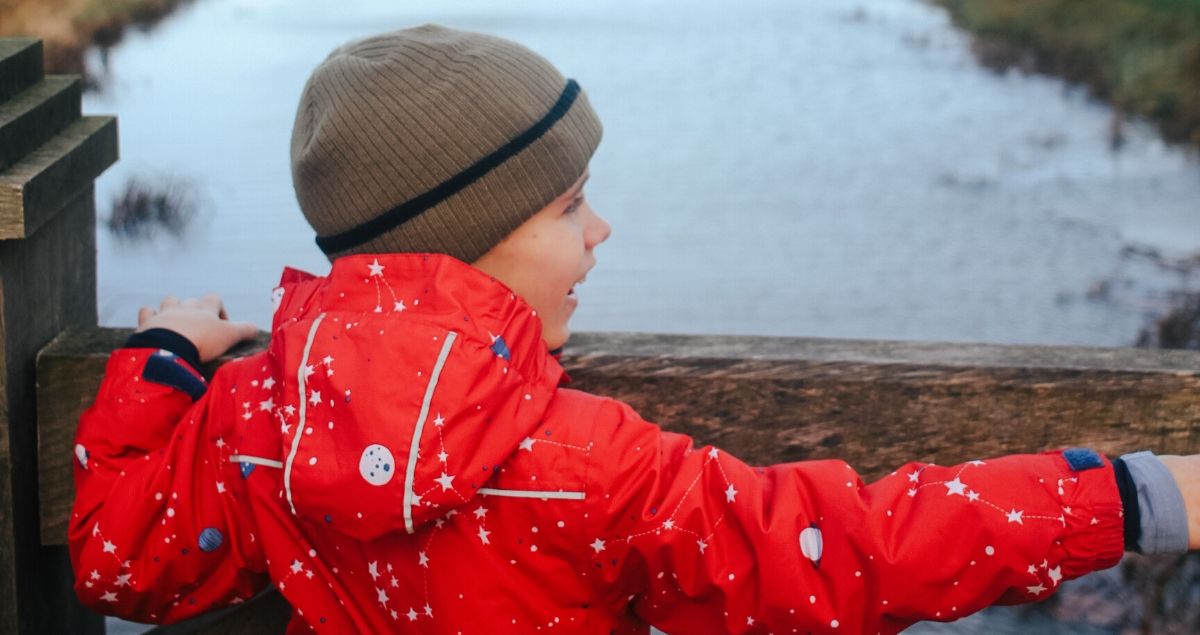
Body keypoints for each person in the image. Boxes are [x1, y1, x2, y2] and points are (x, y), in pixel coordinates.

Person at [69, 25, 1198, 634]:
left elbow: (117, 557)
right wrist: (1135, 493)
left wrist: (162, 357)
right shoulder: (579, 462)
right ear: (469, 237)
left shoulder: (260, 417)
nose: (601, 228)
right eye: (567, 205)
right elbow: (847, 546)